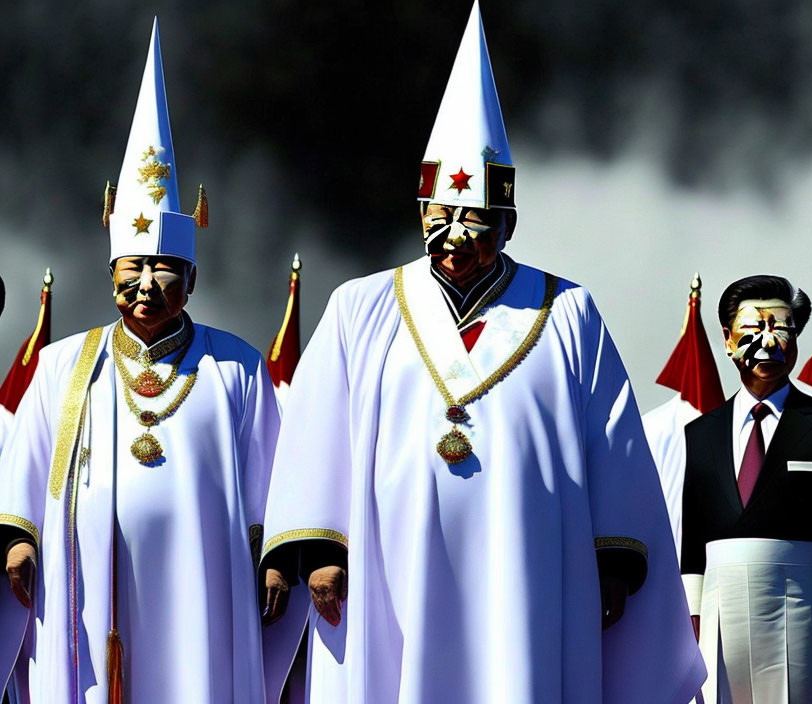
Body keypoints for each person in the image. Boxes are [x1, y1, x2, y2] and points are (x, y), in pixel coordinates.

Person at [258, 3, 705, 703]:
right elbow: (317, 431)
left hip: (527, 567)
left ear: (508, 221)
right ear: (421, 214)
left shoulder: (568, 311)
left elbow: (612, 444)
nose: (456, 233)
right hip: (388, 565)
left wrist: (612, 561)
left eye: (474, 218)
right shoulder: (361, 306)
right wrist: (319, 548)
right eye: (442, 217)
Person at [0, 20, 280, 703]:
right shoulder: (66, 364)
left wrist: (273, 558)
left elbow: (274, 469)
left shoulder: (237, 368)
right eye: (134, 266)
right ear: (111, 271)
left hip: (204, 589)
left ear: (191, 277)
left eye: (164, 267)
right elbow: (24, 467)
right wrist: (17, 541)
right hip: (88, 590)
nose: (148, 282)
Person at [680, 275, 812, 703]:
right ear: (727, 340)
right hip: (720, 603)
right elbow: (694, 534)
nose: (768, 342)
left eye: (781, 328)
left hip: (800, 604)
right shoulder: (701, 433)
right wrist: (692, 613)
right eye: (753, 330)